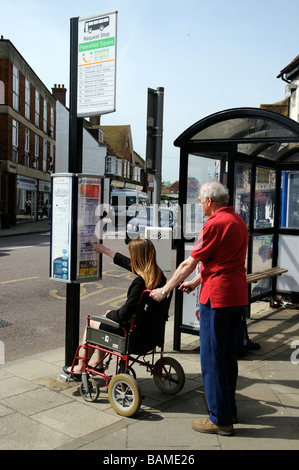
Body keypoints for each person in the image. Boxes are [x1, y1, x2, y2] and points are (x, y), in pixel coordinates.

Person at [150, 181, 249, 436]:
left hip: (217, 298)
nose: (198, 204)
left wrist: (165, 289)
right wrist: (195, 283)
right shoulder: (237, 221)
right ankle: (229, 409)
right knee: (227, 357)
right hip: (236, 295)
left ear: (209, 200)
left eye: (199, 200)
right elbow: (222, 260)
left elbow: (188, 263)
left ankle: (220, 420)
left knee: (212, 359)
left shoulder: (213, 224)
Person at [63, 238, 166, 377]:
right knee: (104, 321)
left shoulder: (139, 284)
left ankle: (81, 367)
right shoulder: (159, 276)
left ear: (136, 258)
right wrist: (105, 250)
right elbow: (131, 265)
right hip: (152, 335)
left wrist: (109, 313)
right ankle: (98, 363)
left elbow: (123, 314)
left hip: (135, 338)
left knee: (94, 322)